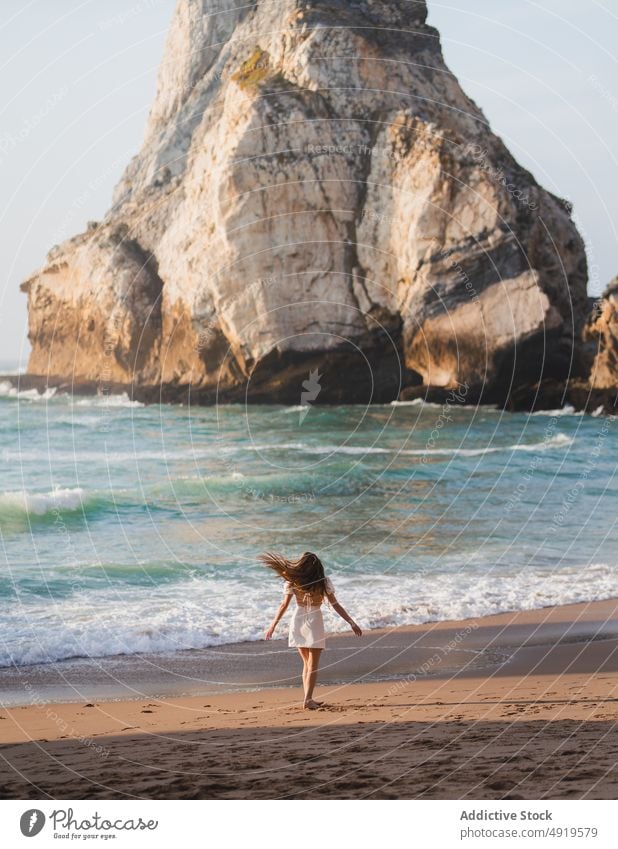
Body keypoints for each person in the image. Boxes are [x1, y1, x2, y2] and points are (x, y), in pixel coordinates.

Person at [260, 551, 362, 709]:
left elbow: (284, 605)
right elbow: (335, 605)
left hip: (298, 620)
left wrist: (273, 624)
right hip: (314, 621)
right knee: (312, 665)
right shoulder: (323, 582)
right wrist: (351, 622)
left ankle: (308, 698)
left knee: (307, 664)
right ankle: (308, 700)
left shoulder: (292, 582)